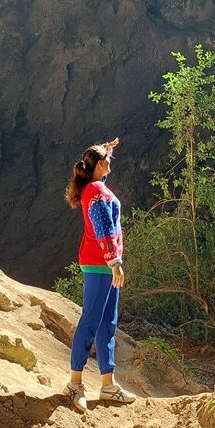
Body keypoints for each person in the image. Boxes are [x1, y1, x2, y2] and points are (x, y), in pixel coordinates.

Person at [63, 137, 137, 407]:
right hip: (100, 263)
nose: (110, 162)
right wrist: (114, 261)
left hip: (104, 263)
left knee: (108, 322)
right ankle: (74, 384)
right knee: (92, 319)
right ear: (98, 167)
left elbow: (96, 169)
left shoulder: (95, 186)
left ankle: (108, 384)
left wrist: (105, 149)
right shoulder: (95, 192)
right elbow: (102, 228)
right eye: (106, 160)